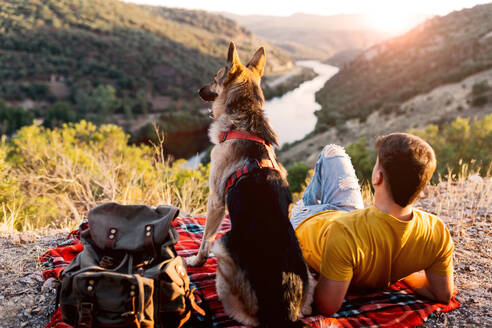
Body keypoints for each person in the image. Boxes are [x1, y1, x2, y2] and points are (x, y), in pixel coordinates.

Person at [290, 133, 455, 315]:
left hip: (306, 220)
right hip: (350, 214)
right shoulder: (437, 231)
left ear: (378, 177)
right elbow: (442, 294)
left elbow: (327, 306)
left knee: (331, 153)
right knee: (333, 151)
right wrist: (402, 271)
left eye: (377, 163)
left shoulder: (345, 233)